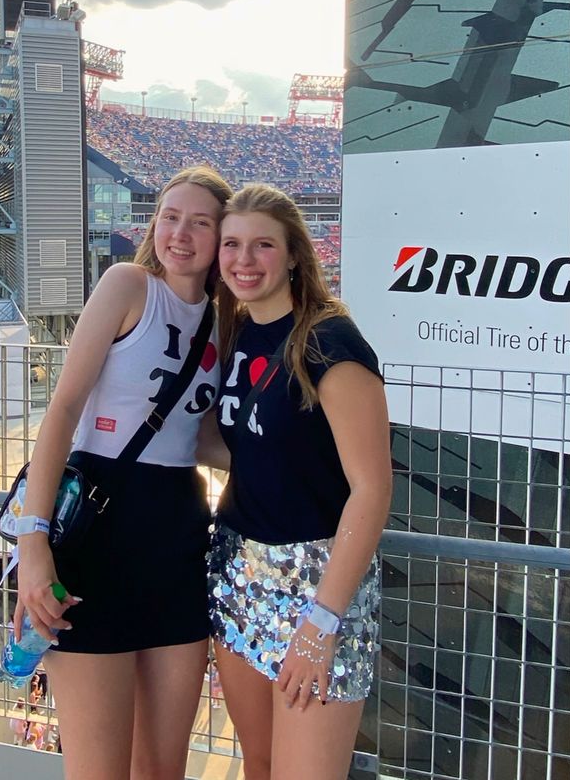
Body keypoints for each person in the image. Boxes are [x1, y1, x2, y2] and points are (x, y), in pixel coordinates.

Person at [15, 166, 233, 780]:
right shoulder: (128, 284)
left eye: (200, 222)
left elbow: (203, 436)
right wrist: (34, 545)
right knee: (99, 771)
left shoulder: (223, 321)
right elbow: (63, 408)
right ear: (153, 224)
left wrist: (297, 473)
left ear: (222, 236)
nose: (181, 234)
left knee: (163, 770)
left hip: (178, 537)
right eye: (170, 217)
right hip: (97, 529)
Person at [200, 183, 392, 780]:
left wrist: (324, 619)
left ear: (292, 256)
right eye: (232, 244)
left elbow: (372, 487)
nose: (244, 260)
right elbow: (243, 450)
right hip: (237, 571)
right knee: (258, 763)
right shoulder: (232, 336)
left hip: (319, 585)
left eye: (262, 245)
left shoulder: (328, 342)